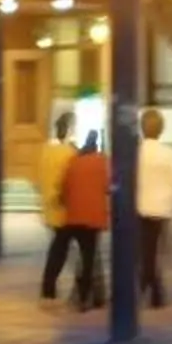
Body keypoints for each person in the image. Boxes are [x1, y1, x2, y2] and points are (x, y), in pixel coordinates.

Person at [54, 132, 110, 312]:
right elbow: (110, 186)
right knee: (88, 259)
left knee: (78, 256)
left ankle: (80, 295)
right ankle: (86, 297)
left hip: (73, 217)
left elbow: (63, 190)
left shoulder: (73, 162)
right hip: (92, 219)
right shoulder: (102, 162)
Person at [135, 108, 172, 309]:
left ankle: (149, 288)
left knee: (145, 252)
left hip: (139, 208)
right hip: (162, 210)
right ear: (161, 130)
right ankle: (154, 291)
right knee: (152, 252)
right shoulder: (169, 154)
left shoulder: (135, 153)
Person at [35, 113, 80, 302]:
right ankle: (51, 286)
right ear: (69, 129)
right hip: (65, 208)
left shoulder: (46, 150)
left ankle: (49, 286)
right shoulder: (70, 153)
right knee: (63, 249)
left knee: (59, 247)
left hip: (49, 206)